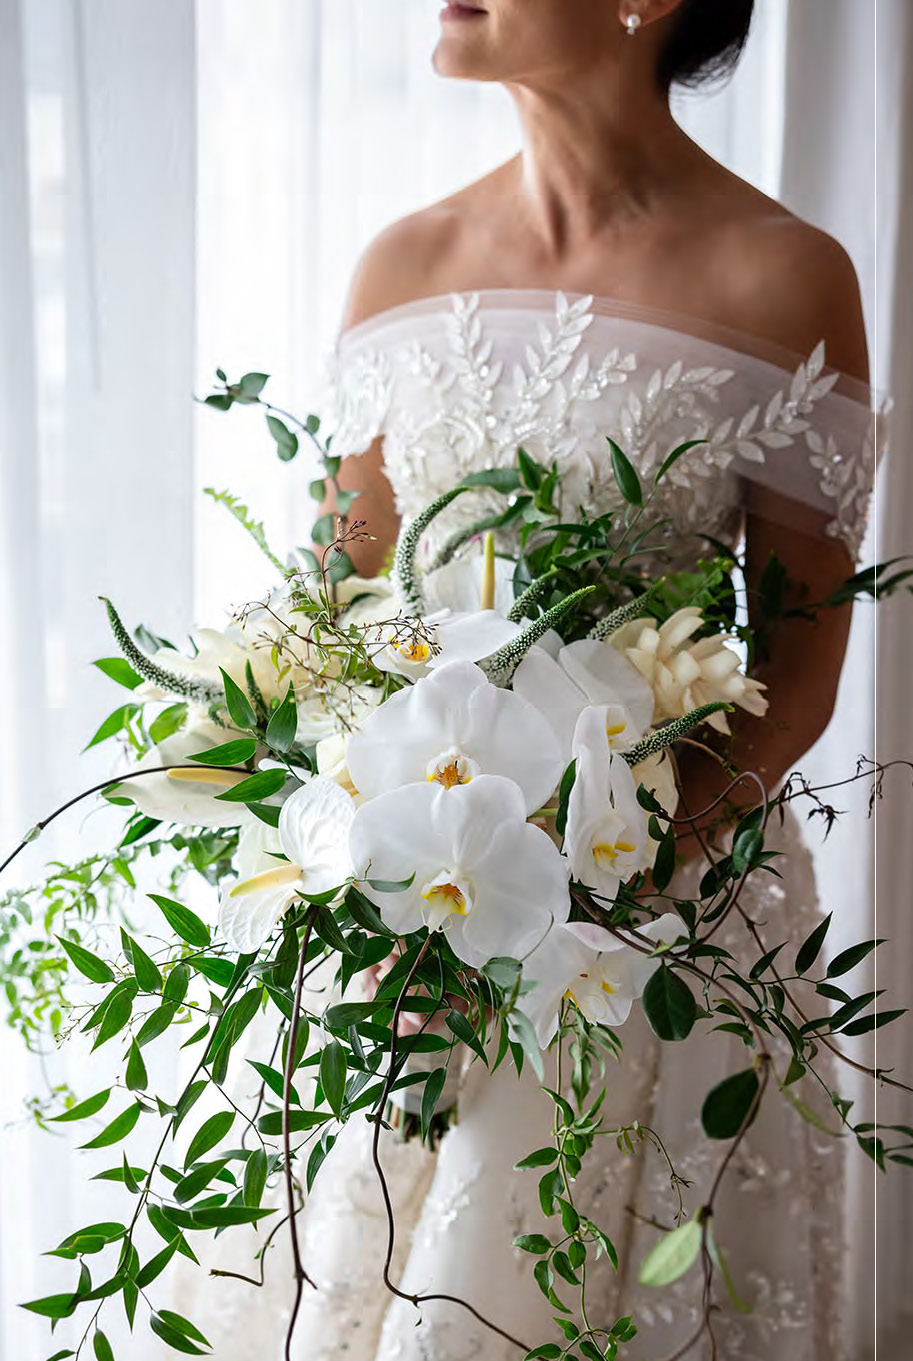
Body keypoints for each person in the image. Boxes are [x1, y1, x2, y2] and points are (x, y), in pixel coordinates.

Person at [157, 3, 882, 1357]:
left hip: (651, 919)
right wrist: (367, 878)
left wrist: (579, 894)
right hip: (408, 907)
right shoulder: (404, 263)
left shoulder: (783, 275)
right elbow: (338, 613)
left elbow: (794, 681)